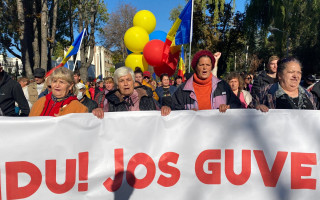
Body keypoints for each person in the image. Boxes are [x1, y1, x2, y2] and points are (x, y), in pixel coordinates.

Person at [171, 50, 241, 112]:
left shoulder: (223, 86)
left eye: (208, 65)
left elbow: (238, 105)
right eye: (201, 65)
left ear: (211, 67)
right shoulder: (183, 89)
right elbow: (174, 110)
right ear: (196, 67)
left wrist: (229, 107)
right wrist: (187, 113)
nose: (205, 68)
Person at [92, 67, 170, 118]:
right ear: (117, 85)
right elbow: (104, 121)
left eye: (128, 80)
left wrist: (164, 109)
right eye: (121, 81)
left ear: (133, 82)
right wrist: (98, 112)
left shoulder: (146, 96)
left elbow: (159, 114)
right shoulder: (111, 102)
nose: (126, 84)